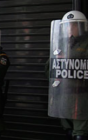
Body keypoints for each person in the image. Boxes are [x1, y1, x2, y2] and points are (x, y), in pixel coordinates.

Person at [45, 10, 88, 140]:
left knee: (80, 133)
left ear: (80, 26)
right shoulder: (61, 45)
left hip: (82, 97)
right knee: (68, 132)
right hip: (64, 95)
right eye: (68, 25)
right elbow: (49, 68)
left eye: (74, 25)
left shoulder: (86, 44)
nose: (70, 29)